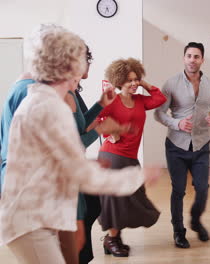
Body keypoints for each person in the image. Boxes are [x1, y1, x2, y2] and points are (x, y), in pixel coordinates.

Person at [0, 24, 160, 264]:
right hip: (27, 219)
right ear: (67, 66)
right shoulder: (46, 106)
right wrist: (136, 176)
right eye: (81, 59)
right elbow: (80, 173)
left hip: (38, 213)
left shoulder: (47, 98)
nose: (85, 66)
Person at [154, 42, 210, 249]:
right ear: (184, 58)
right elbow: (158, 113)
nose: (192, 60)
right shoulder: (171, 83)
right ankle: (178, 230)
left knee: (202, 188)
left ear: (202, 59)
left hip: (202, 144)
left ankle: (195, 220)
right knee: (178, 190)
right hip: (176, 145)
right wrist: (177, 123)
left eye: (196, 56)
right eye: (189, 56)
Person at [64, 46, 128, 263]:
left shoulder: (72, 92)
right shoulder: (61, 96)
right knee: (87, 211)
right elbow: (73, 142)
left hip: (76, 166)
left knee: (92, 206)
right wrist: (101, 129)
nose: (86, 74)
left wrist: (101, 104)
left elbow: (82, 125)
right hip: (65, 173)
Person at [98, 58, 166, 257]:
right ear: (119, 82)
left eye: (136, 79)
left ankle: (113, 238)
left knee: (132, 197)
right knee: (117, 199)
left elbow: (159, 98)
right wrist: (112, 133)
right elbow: (95, 119)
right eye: (129, 80)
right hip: (112, 155)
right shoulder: (113, 101)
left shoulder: (139, 101)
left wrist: (143, 83)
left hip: (129, 156)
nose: (134, 83)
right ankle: (112, 239)